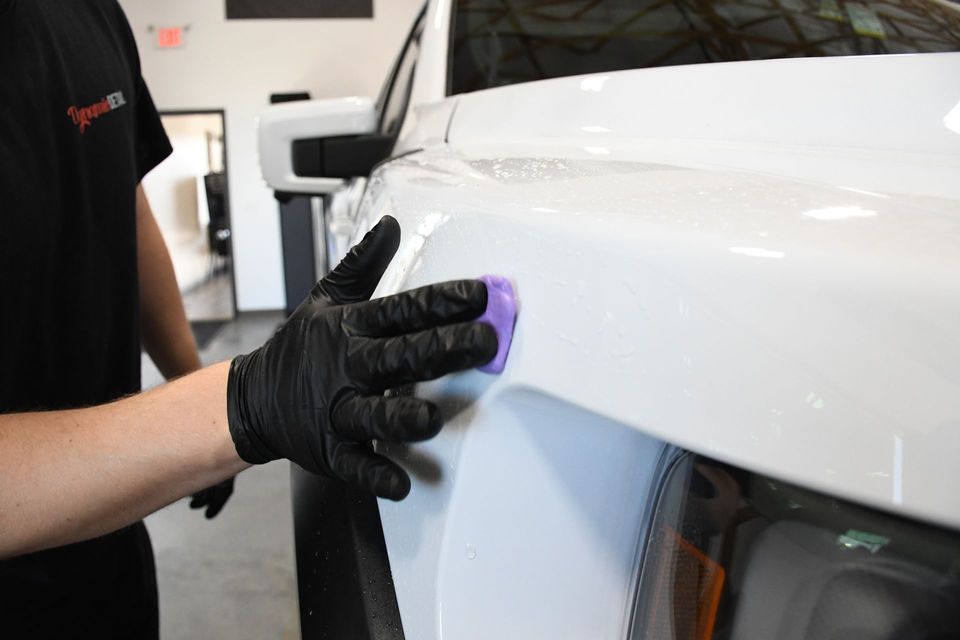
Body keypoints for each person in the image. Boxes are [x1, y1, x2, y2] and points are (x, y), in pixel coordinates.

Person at [0, 215, 498, 562]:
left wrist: (190, 408)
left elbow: (131, 216)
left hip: (116, 539)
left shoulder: (114, 55)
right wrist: (241, 405)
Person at [4, 0, 237, 634]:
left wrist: (194, 383)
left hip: (112, 543)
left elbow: (125, 206)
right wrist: (231, 415)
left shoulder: (92, 13)